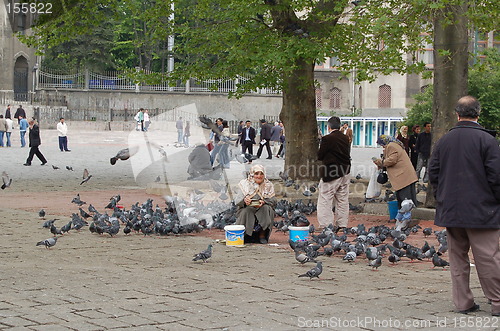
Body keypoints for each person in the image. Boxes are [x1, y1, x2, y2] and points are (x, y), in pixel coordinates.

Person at [428, 96, 499, 317]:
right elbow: (496, 177)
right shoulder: (487, 141)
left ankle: (463, 302)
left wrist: (443, 196)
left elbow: (433, 173)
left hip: (451, 209)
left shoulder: (444, 140)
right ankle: (497, 302)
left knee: (458, 258)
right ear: (478, 114)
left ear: (457, 114)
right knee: (488, 257)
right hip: (482, 210)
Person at [317, 116, 351, 231]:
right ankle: (342, 224)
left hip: (332, 171)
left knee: (325, 198)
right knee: (342, 199)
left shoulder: (327, 139)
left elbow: (320, 155)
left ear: (329, 127)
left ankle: (326, 225)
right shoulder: (345, 138)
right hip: (345, 170)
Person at [373, 135, 418, 213]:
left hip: (403, 177)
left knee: (405, 199)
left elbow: (392, 160)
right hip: (406, 176)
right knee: (406, 198)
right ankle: (404, 217)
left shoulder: (391, 146)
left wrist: (380, 162)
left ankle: (405, 218)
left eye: (382, 144)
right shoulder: (395, 144)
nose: (382, 146)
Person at [236, 164, 276, 244]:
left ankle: (262, 235)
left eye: (261, 174)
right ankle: (247, 235)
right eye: (256, 174)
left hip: (262, 207)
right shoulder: (244, 184)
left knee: (266, 209)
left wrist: (264, 201)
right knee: (247, 211)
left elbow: (274, 201)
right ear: (252, 174)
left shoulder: (268, 185)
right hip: (248, 207)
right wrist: (245, 201)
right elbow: (237, 201)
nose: (259, 176)